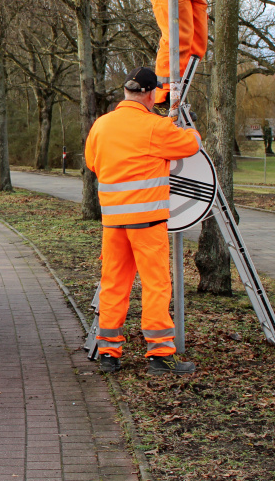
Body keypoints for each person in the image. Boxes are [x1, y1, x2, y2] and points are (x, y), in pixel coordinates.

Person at [84, 66, 202, 375]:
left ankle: (109, 353)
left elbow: (92, 163)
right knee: (156, 285)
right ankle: (160, 354)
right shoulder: (155, 126)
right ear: (150, 94)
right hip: (147, 223)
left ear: (127, 92)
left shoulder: (101, 125)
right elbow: (190, 146)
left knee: (113, 285)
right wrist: (190, 129)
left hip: (113, 222)